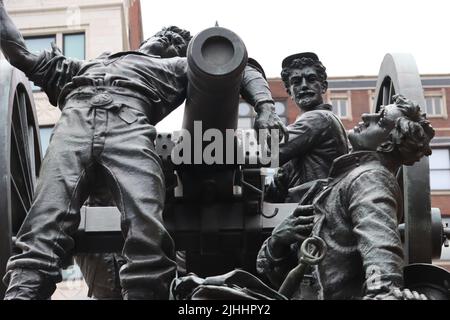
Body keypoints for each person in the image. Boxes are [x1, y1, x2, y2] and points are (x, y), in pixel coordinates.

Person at [0, 0, 286, 300]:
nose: (170, 39)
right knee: (42, 227)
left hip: (130, 130)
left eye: (177, 42)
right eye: (166, 33)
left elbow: (240, 68)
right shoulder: (80, 65)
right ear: (147, 39)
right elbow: (20, 53)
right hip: (72, 127)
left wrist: (265, 107)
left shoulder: (172, 68)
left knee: (146, 231)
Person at [257, 94, 435, 299]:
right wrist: (278, 242)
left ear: (386, 145)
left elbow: (379, 245)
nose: (367, 115)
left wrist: (384, 290)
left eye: (380, 120)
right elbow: (293, 280)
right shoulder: (337, 183)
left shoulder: (370, 178)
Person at [265, 52, 349, 203]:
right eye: (296, 82)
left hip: (314, 211)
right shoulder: (306, 126)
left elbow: (268, 155)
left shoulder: (317, 119)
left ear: (323, 86)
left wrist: (220, 152)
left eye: (311, 79)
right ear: (289, 92)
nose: (304, 86)